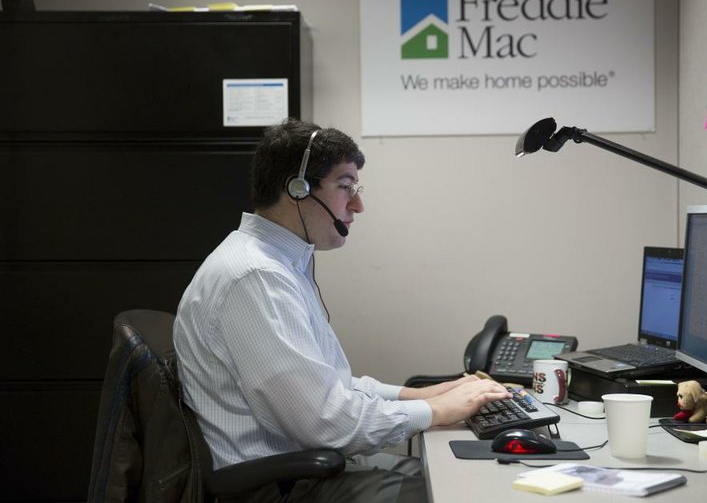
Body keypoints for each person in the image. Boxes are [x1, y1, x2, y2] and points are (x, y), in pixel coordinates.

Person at [173, 118, 510, 502]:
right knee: (462, 492)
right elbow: (323, 421)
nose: (358, 204)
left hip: (306, 472)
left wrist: (423, 396)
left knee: (458, 476)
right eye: (345, 187)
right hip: (283, 488)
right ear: (297, 189)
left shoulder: (274, 265)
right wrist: (435, 411)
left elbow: (329, 385)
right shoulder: (255, 276)